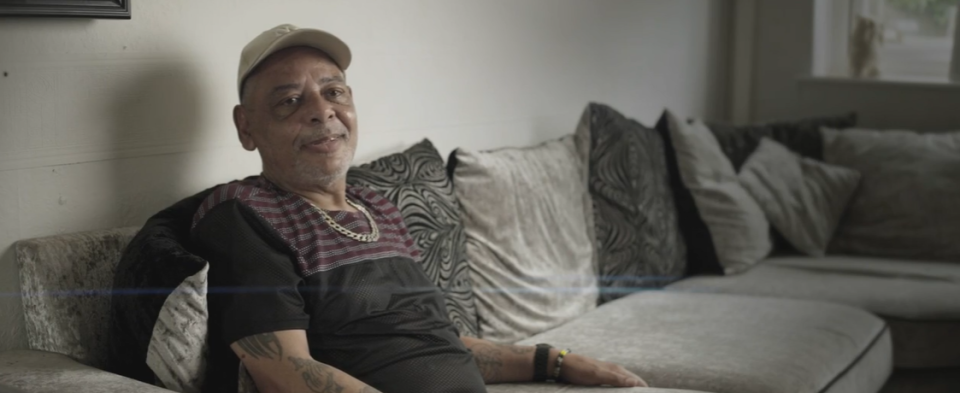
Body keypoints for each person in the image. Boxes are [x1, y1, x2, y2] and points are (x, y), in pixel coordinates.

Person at [191, 23, 648, 393]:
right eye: (290, 101)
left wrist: (553, 361)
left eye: (334, 92)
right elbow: (285, 371)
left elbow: (437, 343)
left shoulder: (379, 208)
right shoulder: (244, 213)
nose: (321, 111)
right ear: (246, 126)